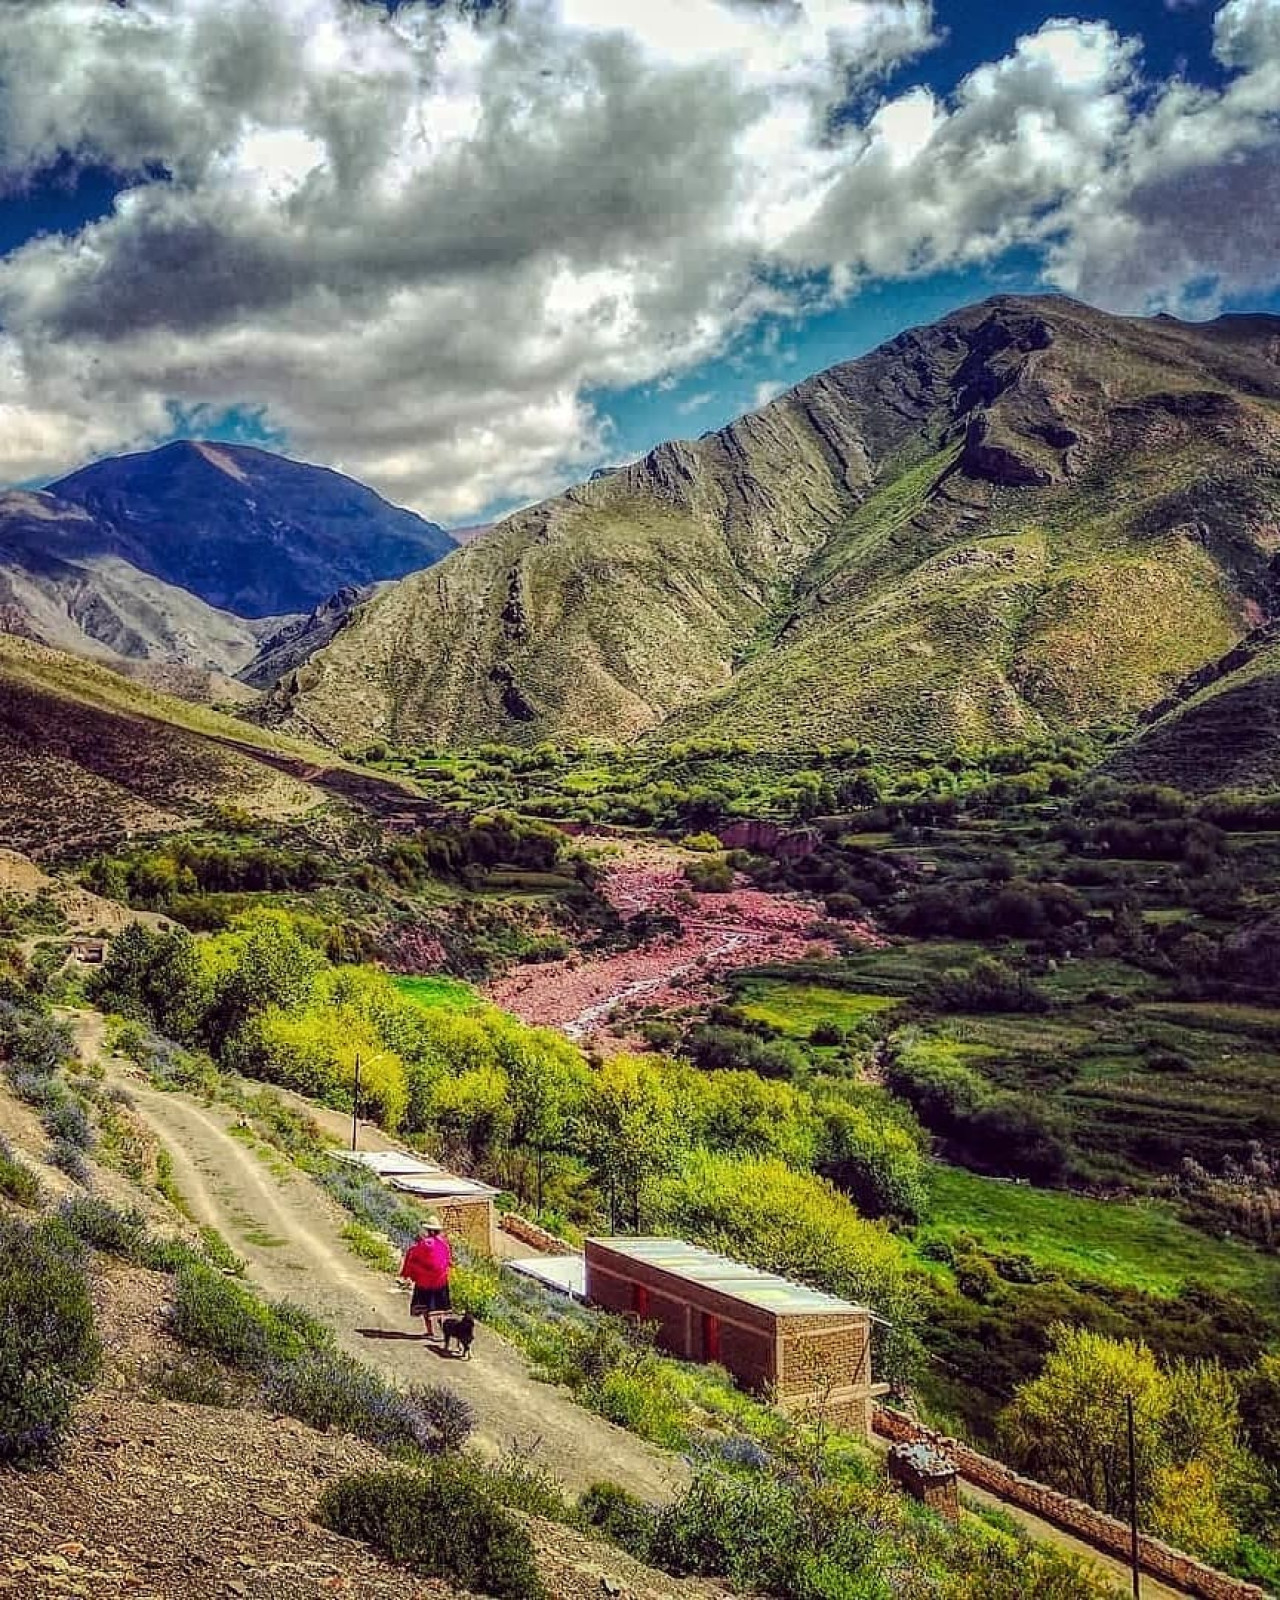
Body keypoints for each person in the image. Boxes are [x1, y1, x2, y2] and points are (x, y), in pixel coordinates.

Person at [400, 1215, 452, 1341]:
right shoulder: (444, 1244)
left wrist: (410, 1272)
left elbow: (414, 1256)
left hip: (424, 1282)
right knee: (441, 1309)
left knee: (425, 1307)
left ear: (428, 1230)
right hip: (440, 1280)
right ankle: (444, 1333)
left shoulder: (424, 1244)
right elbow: (447, 1260)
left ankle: (430, 1332)